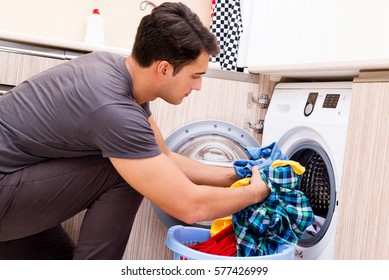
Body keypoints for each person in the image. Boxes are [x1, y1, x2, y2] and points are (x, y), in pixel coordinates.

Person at [0, 2, 269, 260]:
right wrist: (255, 193)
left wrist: (234, 175)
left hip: (15, 180)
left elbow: (163, 157)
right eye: (195, 76)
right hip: (6, 188)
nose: (197, 87)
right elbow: (189, 207)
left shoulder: (116, 72)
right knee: (123, 170)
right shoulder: (115, 109)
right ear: (163, 68)